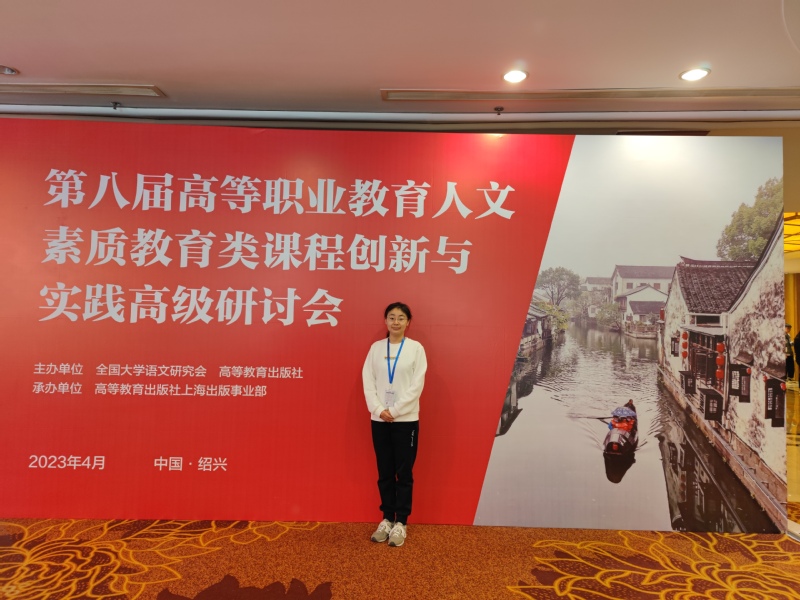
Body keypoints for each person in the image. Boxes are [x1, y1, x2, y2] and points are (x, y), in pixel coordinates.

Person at [362, 302, 427, 547]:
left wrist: (396, 410)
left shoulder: (415, 349)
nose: (396, 322)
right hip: (379, 419)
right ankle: (387, 519)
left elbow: (416, 385)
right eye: (391, 317)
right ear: (385, 321)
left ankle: (401, 522)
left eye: (401, 318)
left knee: (404, 473)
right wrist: (379, 410)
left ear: (408, 322)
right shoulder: (376, 349)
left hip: (406, 419)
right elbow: (368, 382)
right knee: (385, 472)